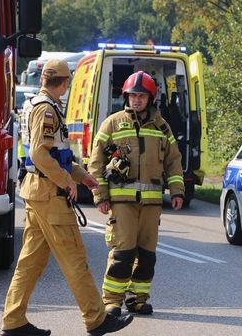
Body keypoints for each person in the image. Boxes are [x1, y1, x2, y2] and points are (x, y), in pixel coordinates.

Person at [1, 59, 133, 336]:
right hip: (49, 194)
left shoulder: (35, 104)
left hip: (37, 192)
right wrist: (65, 181)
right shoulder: (48, 110)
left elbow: (54, 155)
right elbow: (40, 154)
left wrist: (79, 174)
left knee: (30, 262)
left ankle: (13, 321)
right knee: (75, 258)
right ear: (63, 82)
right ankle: (96, 319)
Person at [88, 70, 185, 317]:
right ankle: (112, 302)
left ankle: (137, 300)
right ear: (126, 97)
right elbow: (96, 162)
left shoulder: (162, 127)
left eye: (141, 96)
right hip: (122, 202)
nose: (137, 100)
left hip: (151, 204)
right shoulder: (112, 123)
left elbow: (173, 162)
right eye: (133, 96)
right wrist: (101, 196)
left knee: (147, 256)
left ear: (150, 98)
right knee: (122, 254)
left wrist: (177, 191)